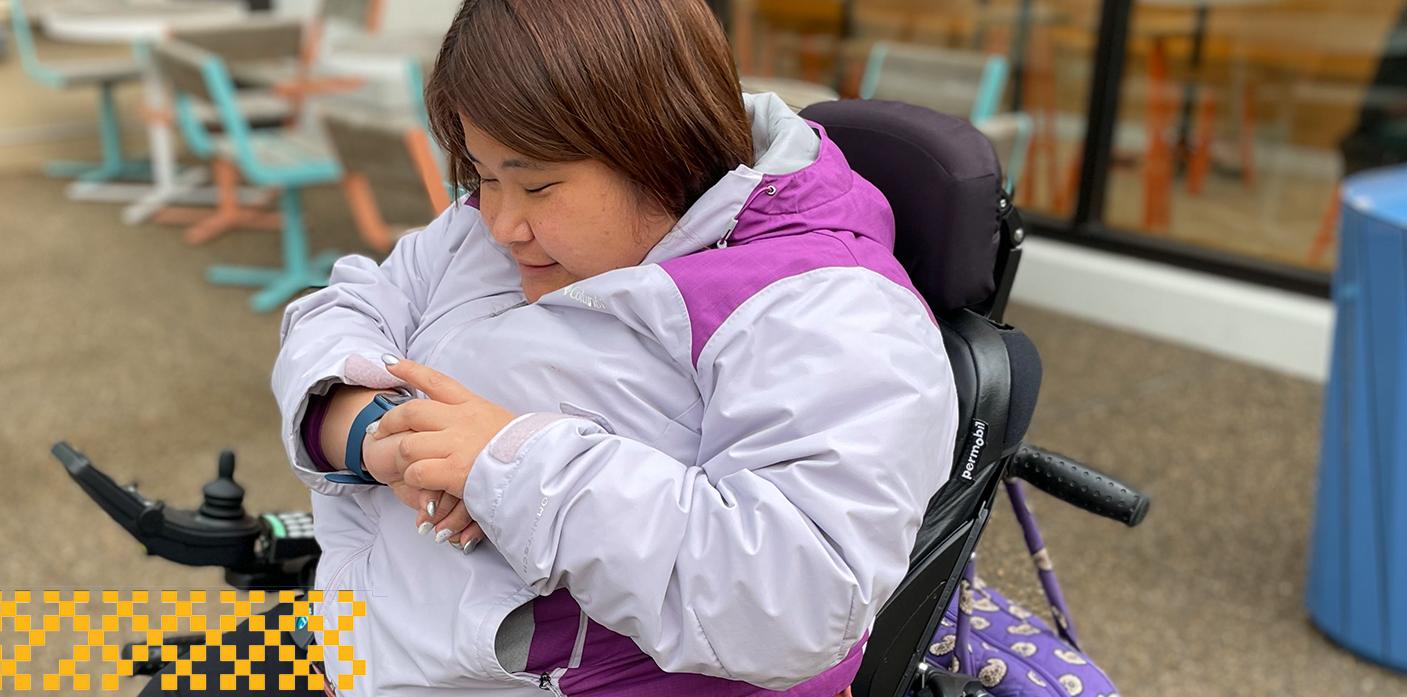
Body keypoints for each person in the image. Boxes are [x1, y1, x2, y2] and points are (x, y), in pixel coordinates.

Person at [270, 1, 957, 694]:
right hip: (356, 636)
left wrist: (506, 464)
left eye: (537, 184)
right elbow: (345, 304)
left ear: (658, 143)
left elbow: (801, 601)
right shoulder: (491, 224)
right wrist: (366, 424)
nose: (502, 222)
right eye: (481, 175)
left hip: (496, 673)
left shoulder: (823, 310)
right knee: (165, 665)